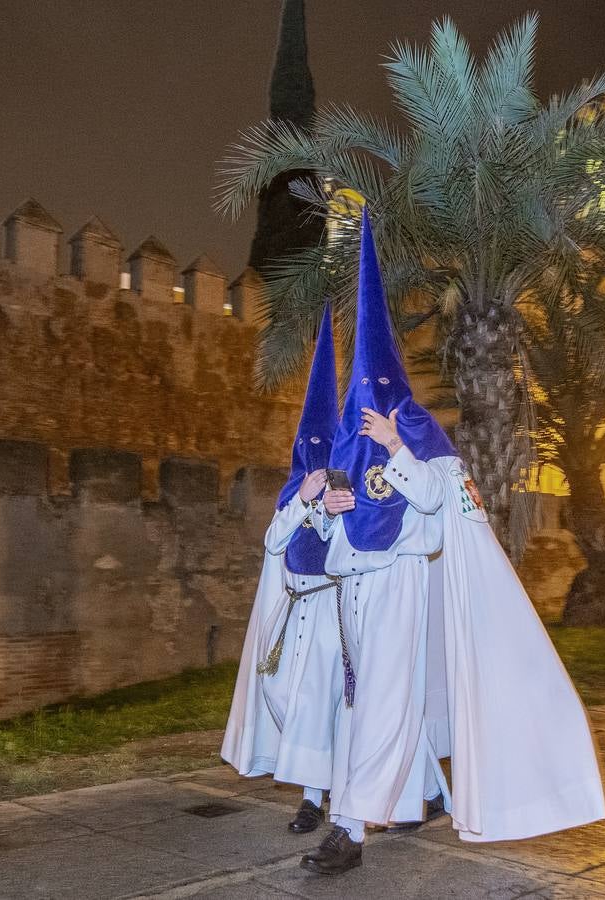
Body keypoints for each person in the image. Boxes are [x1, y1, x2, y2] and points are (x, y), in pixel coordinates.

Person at [301, 209, 605, 876]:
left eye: (375, 388)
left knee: (379, 699)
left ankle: (347, 830)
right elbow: (334, 521)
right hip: (350, 589)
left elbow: (440, 496)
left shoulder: (416, 427)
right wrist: (328, 507)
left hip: (402, 584)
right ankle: (424, 791)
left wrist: (396, 449)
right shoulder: (348, 433)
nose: (367, 397)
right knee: (371, 699)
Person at [221, 306, 343, 836]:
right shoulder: (293, 494)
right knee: (286, 698)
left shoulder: (348, 493)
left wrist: (332, 508)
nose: (314, 459)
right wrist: (303, 502)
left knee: (320, 705)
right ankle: (316, 788)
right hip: (293, 614)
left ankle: (316, 800)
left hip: (330, 614)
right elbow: (274, 541)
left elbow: (350, 549)